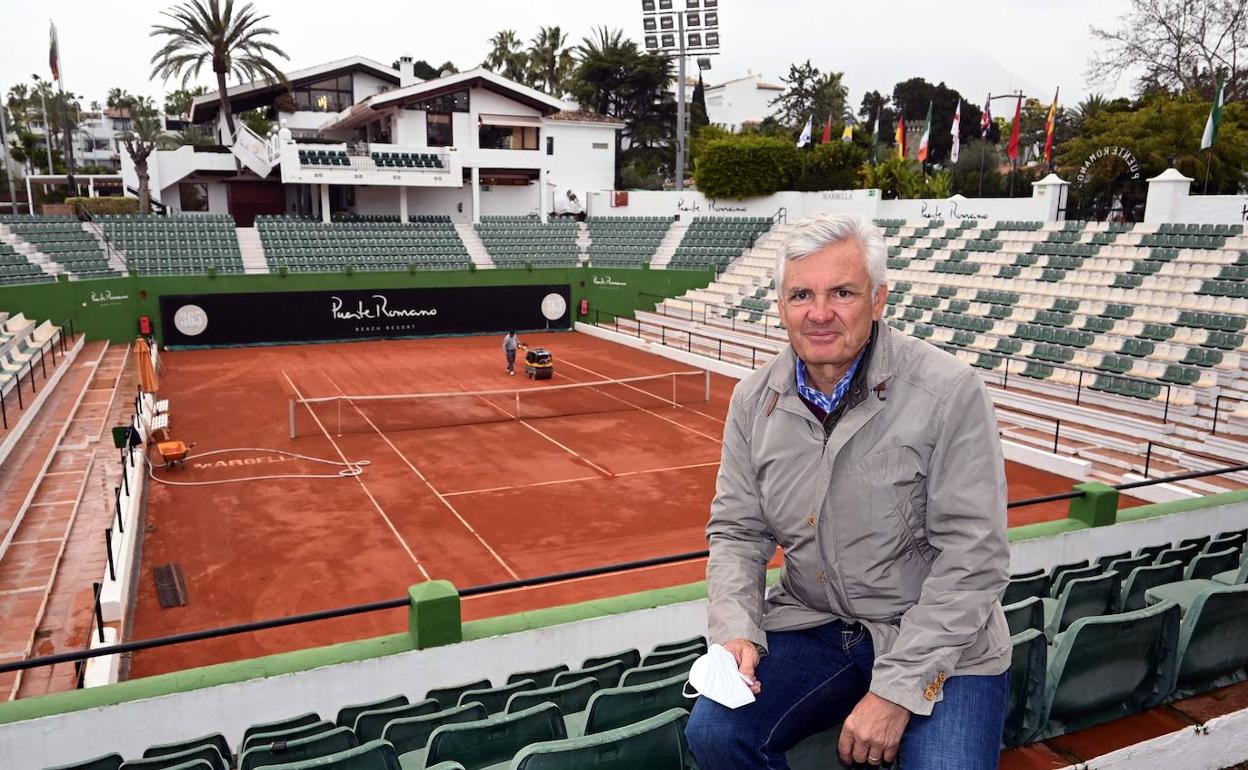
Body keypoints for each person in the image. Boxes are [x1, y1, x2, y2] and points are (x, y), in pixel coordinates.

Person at [685, 213, 1011, 769]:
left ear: (879, 299)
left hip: (939, 639)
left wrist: (896, 690)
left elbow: (974, 557)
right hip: (813, 623)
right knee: (715, 733)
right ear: (780, 306)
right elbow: (738, 532)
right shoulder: (751, 400)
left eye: (842, 292)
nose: (819, 313)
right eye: (801, 295)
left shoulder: (949, 391)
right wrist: (736, 631)